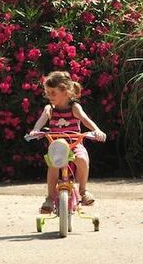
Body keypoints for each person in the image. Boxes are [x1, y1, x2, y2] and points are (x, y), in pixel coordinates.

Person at [28, 71, 106, 213]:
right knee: (53, 165)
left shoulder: (74, 107)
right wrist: (35, 130)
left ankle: (83, 190)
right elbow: (41, 120)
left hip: (74, 145)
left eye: (53, 93)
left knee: (82, 159)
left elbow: (85, 120)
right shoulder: (49, 109)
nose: (49, 96)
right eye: (47, 93)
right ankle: (50, 198)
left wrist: (97, 130)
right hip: (57, 147)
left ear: (65, 91)